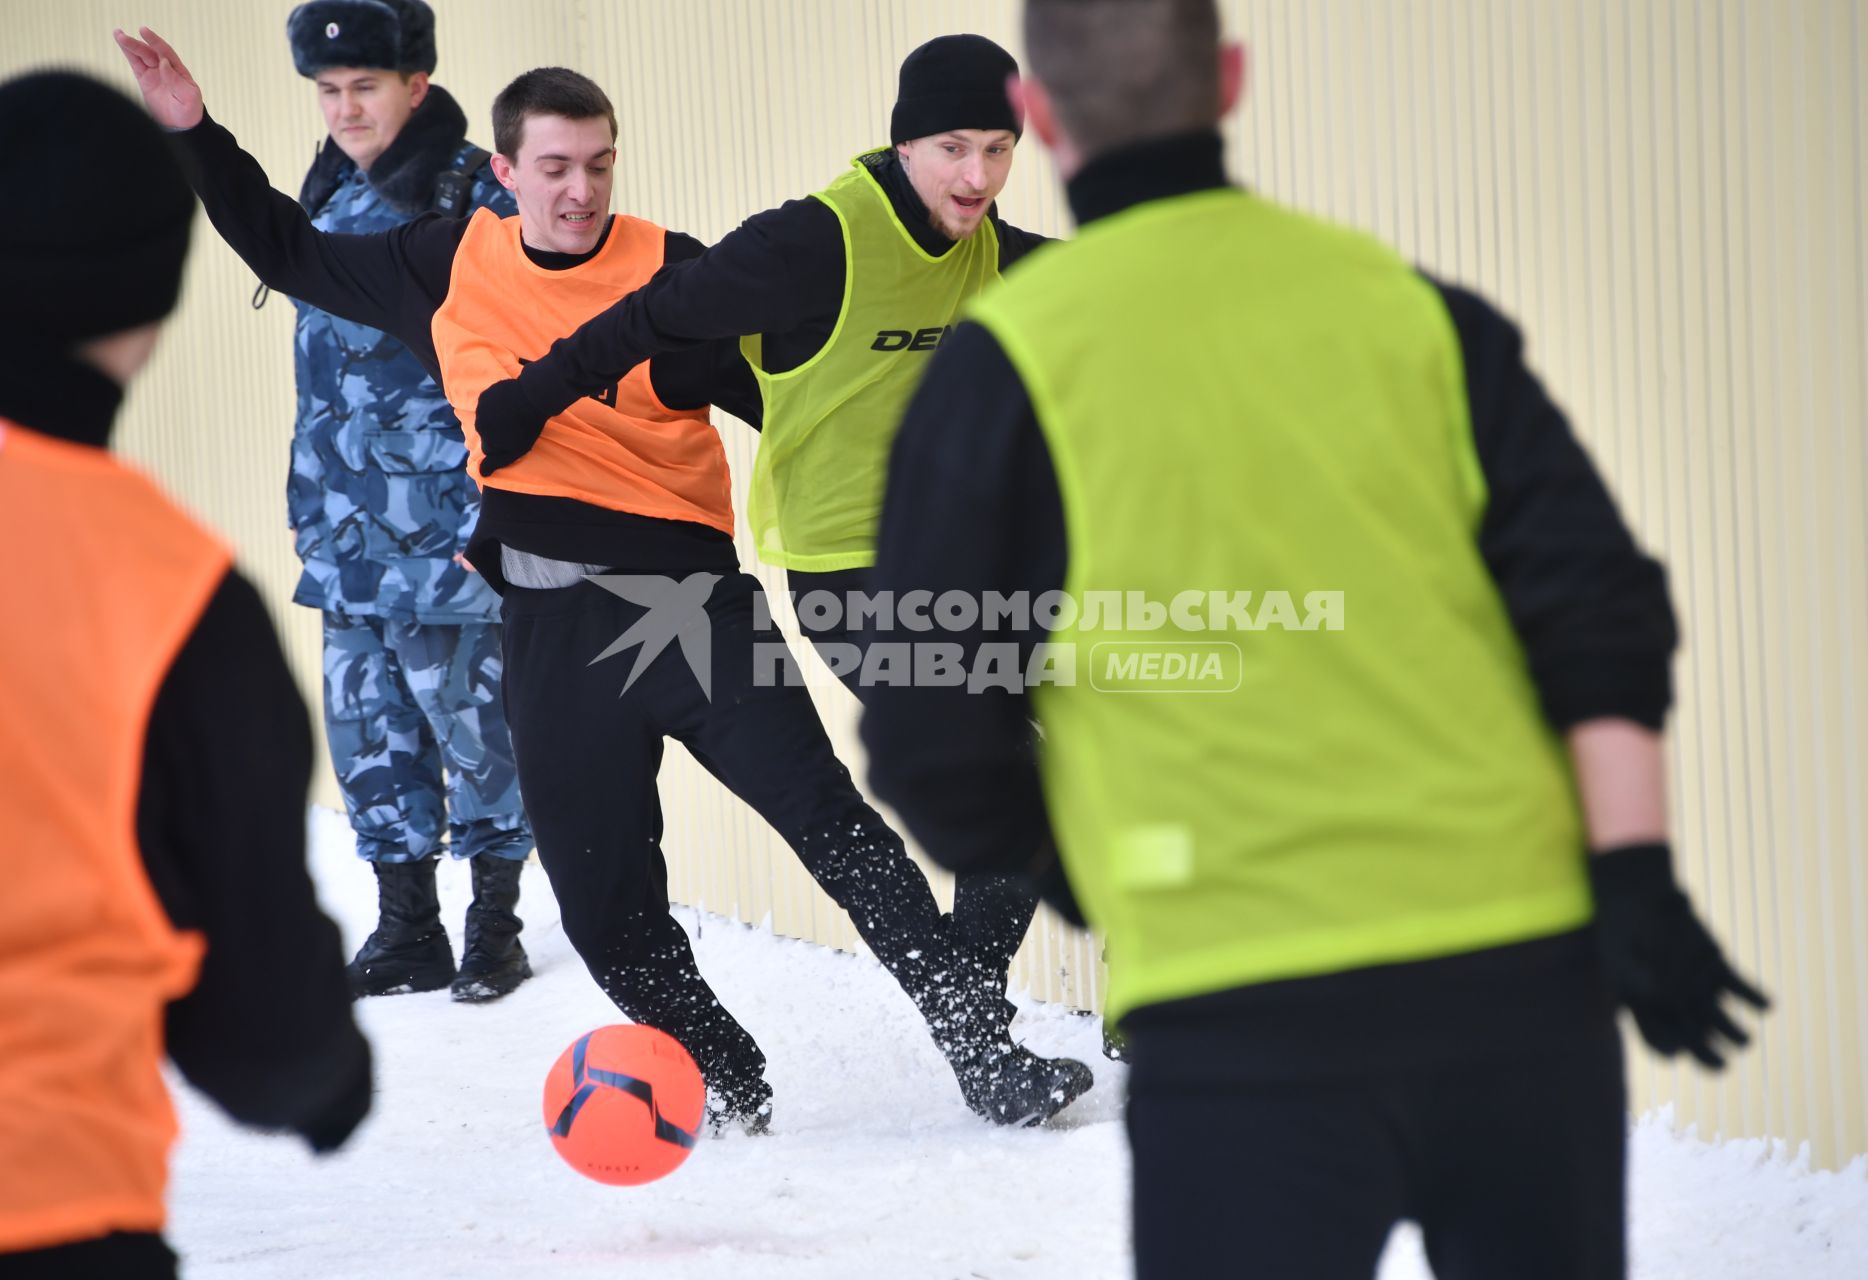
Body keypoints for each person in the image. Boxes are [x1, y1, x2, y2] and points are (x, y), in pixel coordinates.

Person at [861, 1, 1770, 1276]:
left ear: (1043, 121)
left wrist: (1081, 872)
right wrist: (1634, 876)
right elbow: (1598, 608)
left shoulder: (1004, 368)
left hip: (1239, 1006)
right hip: (1514, 977)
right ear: (1229, 79)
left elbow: (925, 723)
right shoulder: (1414, 312)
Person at [113, 26, 1084, 1130]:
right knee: (604, 912)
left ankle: (981, 1048)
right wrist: (195, 132)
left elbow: (803, 400)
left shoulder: (674, 272)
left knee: (835, 826)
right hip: (548, 619)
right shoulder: (444, 264)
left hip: (687, 604)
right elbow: (285, 250)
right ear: (506, 171)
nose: (580, 191)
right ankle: (728, 1076)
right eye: (557, 167)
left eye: (600, 164)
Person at [471, 35, 1087, 1093]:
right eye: (953, 148)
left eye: (997, 148)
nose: (976, 176)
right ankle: (796, 1056)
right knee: (615, 906)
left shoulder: (995, 251)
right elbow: (655, 315)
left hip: (868, 577)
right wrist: (536, 394)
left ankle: (972, 1021)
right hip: (820, 582)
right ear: (904, 142)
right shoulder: (805, 245)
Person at [0, 70, 371, 1279]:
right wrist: (327, 1083)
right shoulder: (169, 594)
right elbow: (260, 1022)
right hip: (47, 1203)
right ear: (152, 301)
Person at [277, 0, 535, 1004]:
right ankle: (407, 926)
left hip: (441, 524)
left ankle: (496, 925)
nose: (344, 108)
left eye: (365, 88)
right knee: (368, 729)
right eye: (330, 90)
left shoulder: (472, 189)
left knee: (474, 725)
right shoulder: (329, 185)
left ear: (415, 86)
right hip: (341, 522)